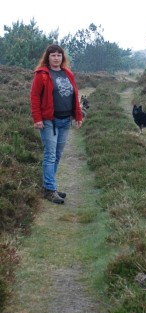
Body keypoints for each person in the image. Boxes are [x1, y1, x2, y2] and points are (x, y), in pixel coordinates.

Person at [30, 44, 83, 204]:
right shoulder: (42, 74)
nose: (56, 58)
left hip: (65, 120)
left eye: (59, 55)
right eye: (52, 55)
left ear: (62, 57)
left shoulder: (68, 74)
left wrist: (78, 115)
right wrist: (37, 119)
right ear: (48, 57)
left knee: (57, 155)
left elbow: (75, 95)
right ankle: (50, 190)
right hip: (48, 121)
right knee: (50, 155)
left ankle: (48, 186)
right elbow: (34, 97)